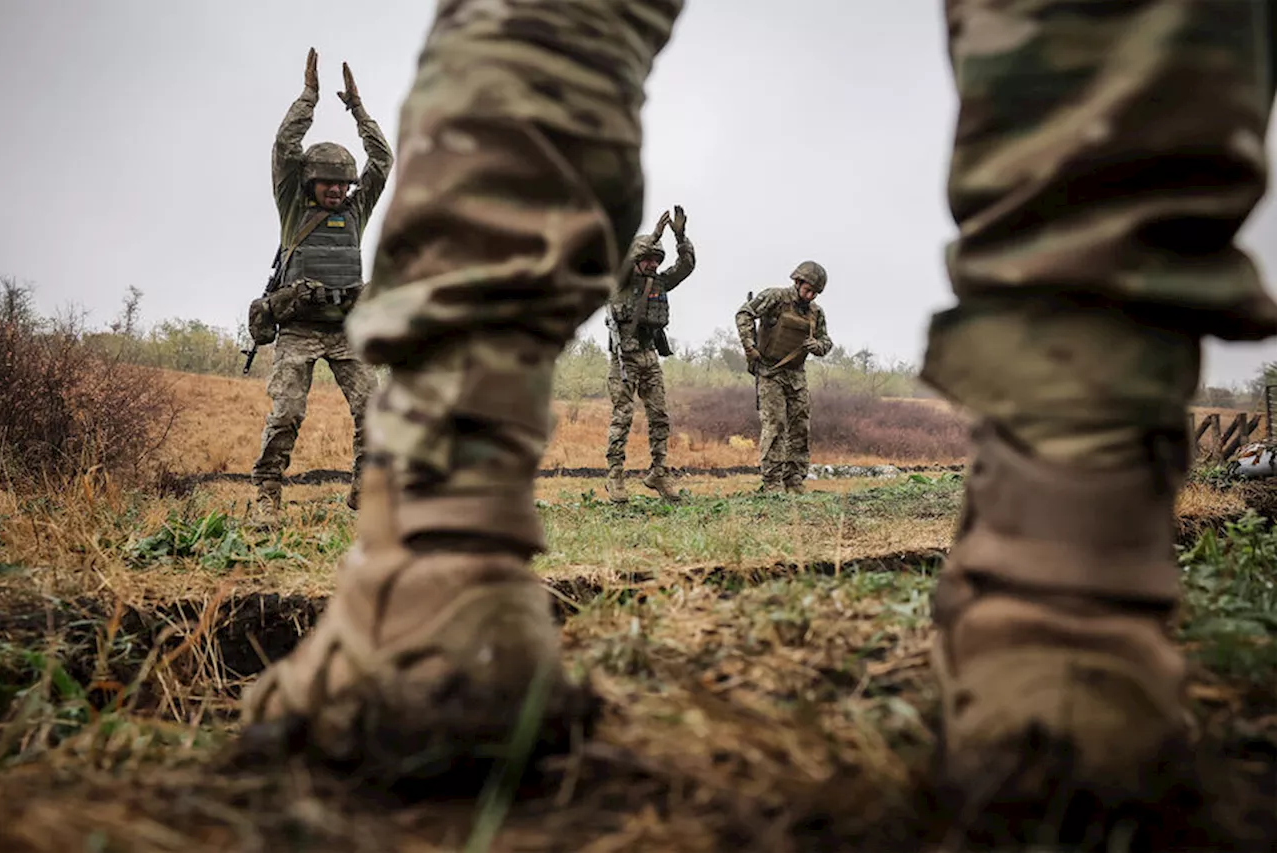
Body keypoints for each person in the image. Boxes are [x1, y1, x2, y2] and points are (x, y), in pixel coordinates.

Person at [239, 0, 1277, 830]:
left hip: (531, 347)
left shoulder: (729, 296)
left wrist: (689, 250)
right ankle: (1072, 599)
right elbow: (661, 279)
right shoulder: (311, 203)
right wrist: (309, 110)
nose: (333, 197)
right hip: (344, 333)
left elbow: (669, 261)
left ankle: (435, 569)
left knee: (553, 19)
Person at [248, 48, 394, 525]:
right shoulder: (293, 208)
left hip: (348, 331)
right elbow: (284, 147)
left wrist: (357, 107)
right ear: (309, 183)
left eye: (343, 184)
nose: (336, 190)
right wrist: (308, 97)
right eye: (327, 183)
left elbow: (383, 159)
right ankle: (267, 494)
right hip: (298, 330)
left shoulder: (356, 211)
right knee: (287, 413)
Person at [603, 208, 696, 503]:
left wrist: (679, 237)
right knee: (623, 416)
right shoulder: (621, 281)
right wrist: (654, 236)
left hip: (649, 357)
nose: (653, 264)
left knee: (660, 417)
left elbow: (687, 266)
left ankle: (658, 472)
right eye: (648, 259)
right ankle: (615, 476)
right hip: (624, 359)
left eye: (657, 259)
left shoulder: (660, 282)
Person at [735, 261, 833, 494]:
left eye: (815, 293)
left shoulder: (815, 312)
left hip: (796, 376)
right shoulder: (775, 297)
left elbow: (827, 342)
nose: (810, 296)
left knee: (800, 427)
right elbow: (744, 313)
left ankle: (794, 480)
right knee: (775, 425)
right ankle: (772, 482)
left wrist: (816, 345)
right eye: (808, 290)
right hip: (770, 372)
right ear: (797, 282)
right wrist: (749, 345)